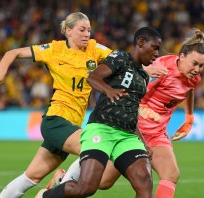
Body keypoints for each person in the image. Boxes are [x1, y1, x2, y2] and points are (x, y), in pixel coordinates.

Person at [52, 28, 204, 198]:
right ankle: (64, 179)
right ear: (182, 57)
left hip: (155, 134)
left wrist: (189, 116)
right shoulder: (161, 68)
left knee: (170, 174)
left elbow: (189, 89)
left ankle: (67, 178)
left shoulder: (193, 77)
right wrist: (145, 110)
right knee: (103, 183)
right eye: (195, 64)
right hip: (132, 128)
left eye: (201, 65)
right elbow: (132, 94)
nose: (198, 69)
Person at [0, 12, 112, 198]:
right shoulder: (54, 49)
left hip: (72, 126)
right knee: (94, 148)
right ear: (68, 30)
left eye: (89, 30)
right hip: (56, 120)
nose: (87, 34)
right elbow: (14, 52)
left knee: (31, 177)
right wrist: (1, 71)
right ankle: (61, 183)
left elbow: (121, 59)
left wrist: (147, 68)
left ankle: (59, 182)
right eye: (82, 29)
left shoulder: (94, 49)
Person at [37, 26, 162, 198]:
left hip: (127, 137)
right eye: (155, 48)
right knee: (86, 188)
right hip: (102, 129)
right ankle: (45, 196)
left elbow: (131, 113)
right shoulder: (120, 57)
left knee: (144, 182)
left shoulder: (144, 77)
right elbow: (93, 77)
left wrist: (143, 142)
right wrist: (107, 90)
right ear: (141, 42)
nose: (157, 54)